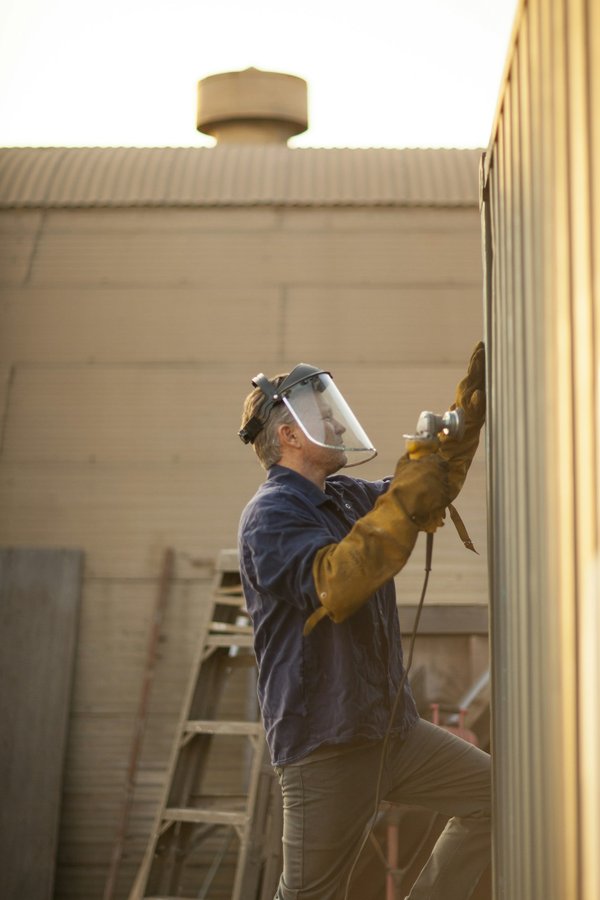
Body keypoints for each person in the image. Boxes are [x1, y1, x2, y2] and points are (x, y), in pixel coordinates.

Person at [237, 344, 490, 900]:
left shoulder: (345, 496)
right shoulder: (272, 515)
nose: (333, 420)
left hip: (391, 733)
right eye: (319, 414)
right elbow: (337, 581)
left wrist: (465, 423)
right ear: (289, 435)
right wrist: (404, 495)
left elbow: (419, 501)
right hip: (325, 744)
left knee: (498, 798)